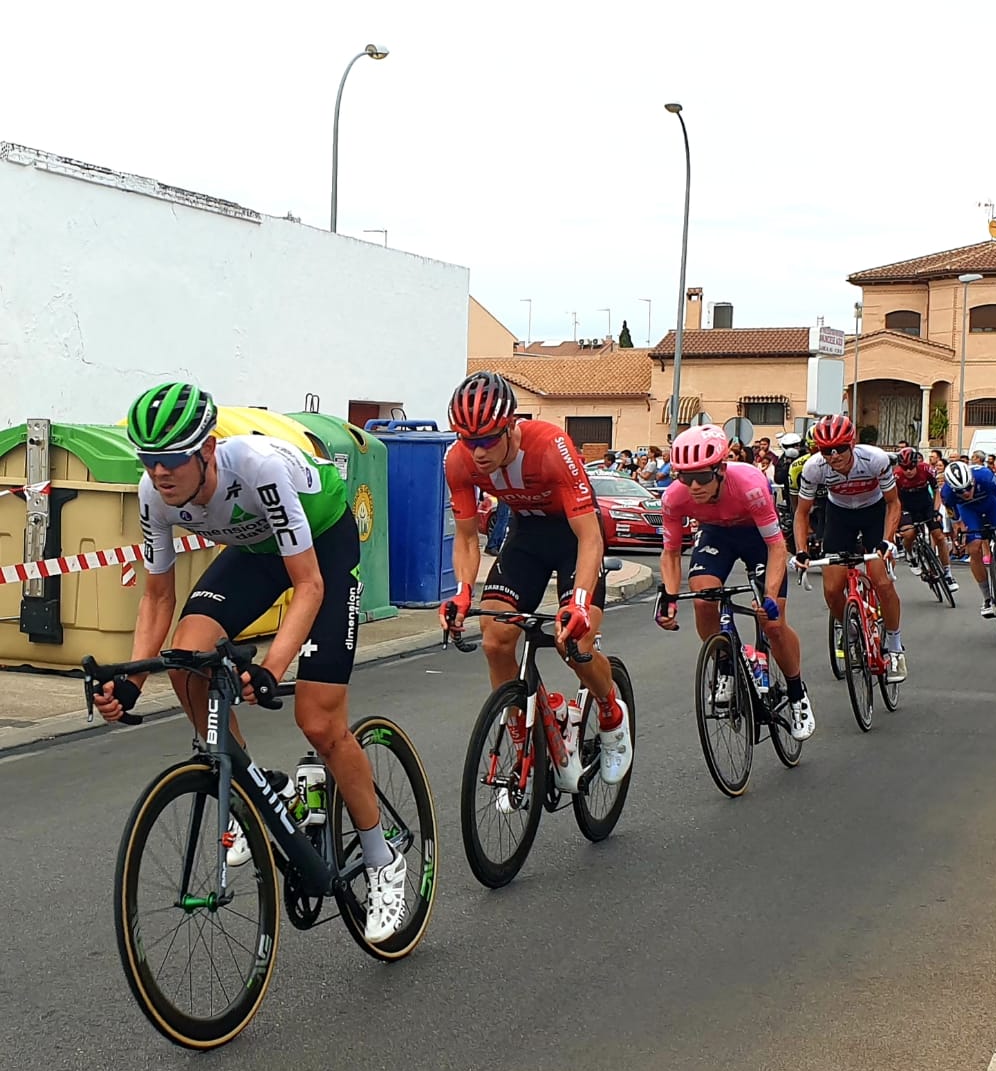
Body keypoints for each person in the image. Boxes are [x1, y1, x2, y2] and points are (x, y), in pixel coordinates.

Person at [92, 382, 408, 944]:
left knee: (318, 720)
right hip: (257, 550)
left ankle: (384, 860)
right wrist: (133, 680)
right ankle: (249, 787)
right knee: (188, 654)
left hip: (324, 542)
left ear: (207, 449)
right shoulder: (152, 495)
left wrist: (271, 668)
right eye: (149, 460)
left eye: (171, 459)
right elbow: (157, 599)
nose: (160, 473)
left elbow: (308, 586)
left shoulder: (257, 468)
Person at [439, 373, 632, 786]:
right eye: (467, 441)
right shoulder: (457, 460)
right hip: (527, 536)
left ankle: (611, 711)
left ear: (511, 427)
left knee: (573, 642)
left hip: (574, 535)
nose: (477, 453)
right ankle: (521, 731)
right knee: (494, 638)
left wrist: (578, 602)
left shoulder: (549, 447)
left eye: (488, 440)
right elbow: (468, 538)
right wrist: (461, 593)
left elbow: (589, 536)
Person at [654, 425, 816, 739]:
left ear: (721, 470)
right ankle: (725, 663)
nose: (694, 486)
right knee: (703, 600)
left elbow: (776, 547)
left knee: (773, 623)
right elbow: (671, 552)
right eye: (685, 478)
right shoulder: (674, 498)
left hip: (758, 537)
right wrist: (670, 597)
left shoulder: (750, 484)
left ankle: (797, 692)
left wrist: (769, 597)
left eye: (702, 477)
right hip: (716, 534)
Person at [791, 415, 908, 683]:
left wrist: (887, 540)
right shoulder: (814, 468)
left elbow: (894, 503)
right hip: (839, 515)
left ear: (852, 444)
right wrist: (801, 550)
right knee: (832, 589)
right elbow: (802, 513)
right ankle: (851, 628)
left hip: (873, 513)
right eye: (826, 451)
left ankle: (894, 644)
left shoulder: (875, 460)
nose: (834, 456)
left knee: (882, 581)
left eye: (840, 448)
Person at [941, 459, 996, 618]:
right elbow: (958, 524)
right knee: (974, 548)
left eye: (968, 488)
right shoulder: (947, 494)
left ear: (973, 480)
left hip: (992, 506)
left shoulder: (986, 477)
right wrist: (960, 541)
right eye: (960, 491)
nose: (966, 493)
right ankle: (987, 598)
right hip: (969, 512)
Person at [893, 447, 959, 594]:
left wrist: (936, 511)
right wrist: (896, 521)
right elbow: (894, 500)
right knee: (909, 534)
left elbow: (936, 492)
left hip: (926, 505)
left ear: (917, 464)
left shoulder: (926, 470)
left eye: (911, 467)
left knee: (939, 537)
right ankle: (910, 554)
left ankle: (948, 574)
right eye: (904, 468)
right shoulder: (896, 476)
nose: (908, 471)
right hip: (907, 507)